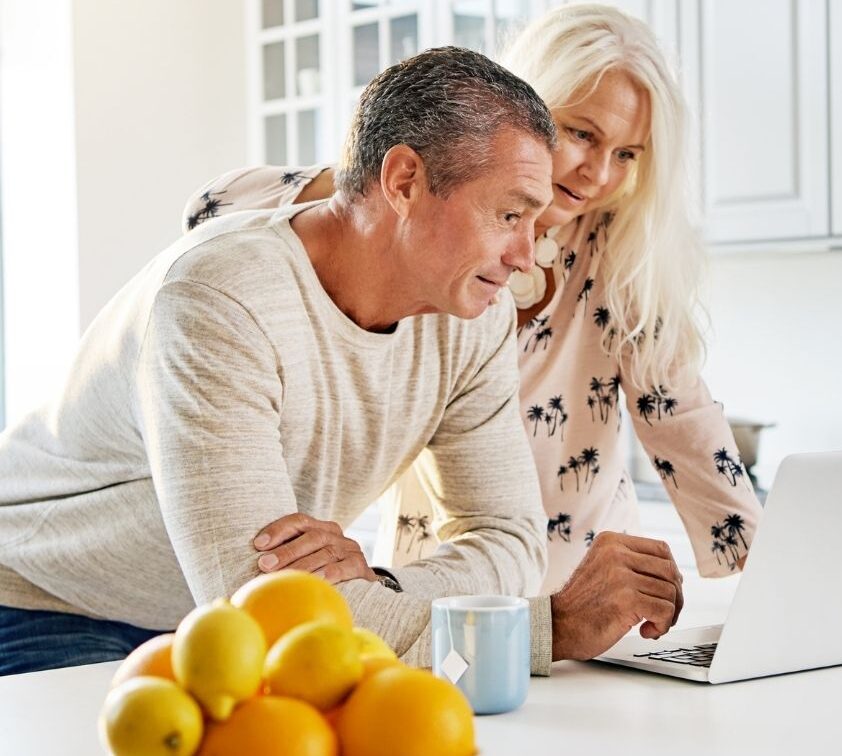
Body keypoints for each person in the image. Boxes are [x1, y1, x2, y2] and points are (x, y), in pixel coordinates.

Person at [0, 46, 684, 676]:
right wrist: (548, 630)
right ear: (406, 180)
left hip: (206, 626)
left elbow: (510, 542)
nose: (523, 252)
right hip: (48, 604)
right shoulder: (221, 300)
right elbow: (269, 608)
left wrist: (376, 589)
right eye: (508, 214)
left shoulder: (474, 319)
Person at [185, 4, 762, 594]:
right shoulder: (417, 225)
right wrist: (384, 187)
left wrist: (770, 572)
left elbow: (681, 416)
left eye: (626, 154)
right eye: (582, 134)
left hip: (584, 591)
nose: (598, 174)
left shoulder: (620, 255)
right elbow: (214, 205)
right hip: (437, 580)